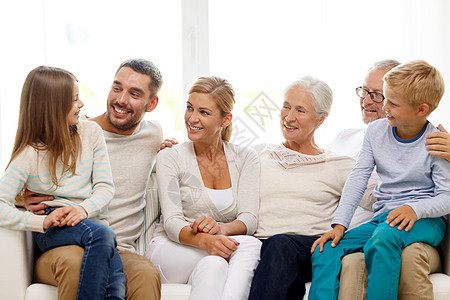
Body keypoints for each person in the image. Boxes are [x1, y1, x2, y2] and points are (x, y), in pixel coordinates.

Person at [24, 59, 163, 300]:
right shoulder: (76, 130)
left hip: (117, 251)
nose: (121, 100)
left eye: (134, 94)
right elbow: (23, 166)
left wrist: (172, 151)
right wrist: (23, 196)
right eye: (117, 88)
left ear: (151, 104)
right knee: (75, 262)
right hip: (64, 247)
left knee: (145, 273)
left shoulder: (153, 136)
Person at [310, 60, 450, 299]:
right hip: (384, 220)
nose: (384, 107)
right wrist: (339, 225)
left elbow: (446, 197)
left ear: (421, 110)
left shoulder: (435, 141)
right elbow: (358, 178)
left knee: (383, 239)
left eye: (393, 103)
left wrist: (414, 209)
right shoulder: (376, 132)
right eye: (385, 98)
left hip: (425, 219)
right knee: (325, 250)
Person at [1, 66, 125, 299]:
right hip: (54, 223)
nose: (82, 104)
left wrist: (82, 208)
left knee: (115, 274)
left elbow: (105, 187)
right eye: (74, 99)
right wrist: (40, 221)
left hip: (88, 220)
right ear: (52, 108)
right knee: (103, 235)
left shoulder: (91, 132)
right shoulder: (29, 154)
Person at [247, 75, 372, 299]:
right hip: (261, 247)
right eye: (286, 107)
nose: (289, 117)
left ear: (320, 119)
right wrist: (174, 150)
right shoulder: (257, 153)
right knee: (275, 248)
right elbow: (214, 170)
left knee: (279, 244)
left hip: (308, 248)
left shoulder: (338, 165)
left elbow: (381, 197)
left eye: (300, 111)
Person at [146, 76, 261, 300]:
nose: (192, 118)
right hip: (170, 249)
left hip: (212, 248)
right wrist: (204, 240)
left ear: (225, 119)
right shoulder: (171, 156)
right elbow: (172, 222)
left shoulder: (246, 157)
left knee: (238, 251)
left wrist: (219, 230)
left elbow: (249, 218)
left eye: (204, 112)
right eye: (190, 108)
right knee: (221, 257)